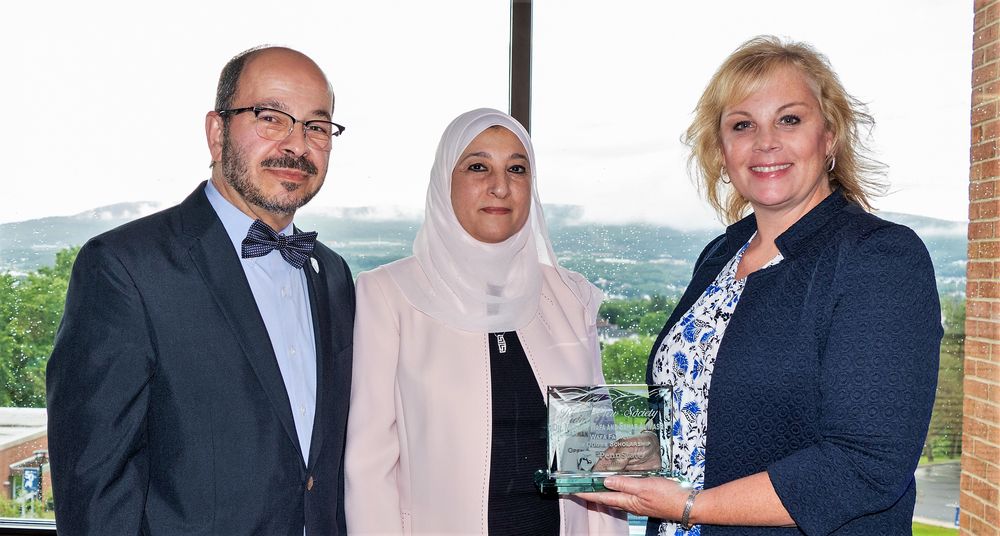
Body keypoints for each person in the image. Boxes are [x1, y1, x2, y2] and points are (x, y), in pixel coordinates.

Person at [580, 36, 942, 535]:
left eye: (789, 119)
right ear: (722, 149)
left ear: (830, 136)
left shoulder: (878, 257)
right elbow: (699, 405)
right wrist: (613, 458)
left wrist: (690, 506)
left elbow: (865, 465)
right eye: (742, 125)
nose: (765, 142)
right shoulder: (719, 256)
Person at [46, 46, 355, 535]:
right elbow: (93, 486)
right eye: (271, 118)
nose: (297, 144)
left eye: (316, 126)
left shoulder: (332, 275)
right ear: (217, 132)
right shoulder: (126, 267)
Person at [344, 108, 627, 534]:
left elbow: (591, 465)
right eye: (478, 167)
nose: (500, 186)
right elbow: (368, 469)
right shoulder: (389, 294)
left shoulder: (569, 296)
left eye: (517, 169)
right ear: (445, 180)